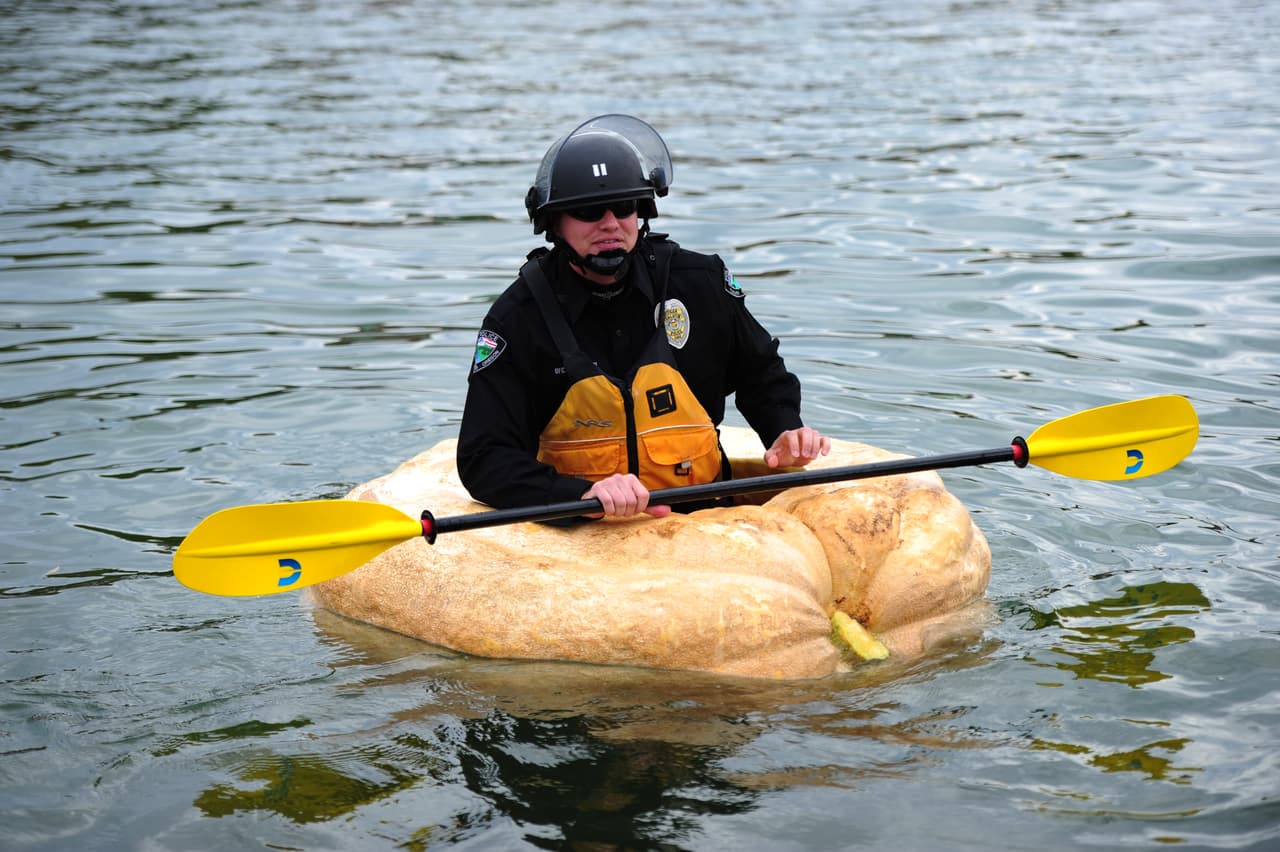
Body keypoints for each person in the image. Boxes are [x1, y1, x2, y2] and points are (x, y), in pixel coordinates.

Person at [457, 114, 829, 519]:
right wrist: (580, 494)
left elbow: (762, 374)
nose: (610, 224)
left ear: (642, 211)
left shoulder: (701, 283)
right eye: (588, 211)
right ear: (555, 224)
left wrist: (783, 429)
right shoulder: (517, 318)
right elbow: (483, 457)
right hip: (590, 530)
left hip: (706, 522)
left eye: (624, 207)